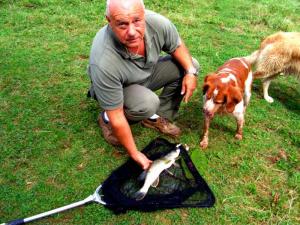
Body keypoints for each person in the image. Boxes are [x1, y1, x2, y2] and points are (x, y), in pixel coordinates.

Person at [87, 0, 200, 170]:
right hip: (120, 87)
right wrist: (134, 153)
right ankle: (105, 119)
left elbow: (176, 45)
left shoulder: (158, 23)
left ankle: (157, 116)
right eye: (122, 24)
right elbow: (118, 115)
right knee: (147, 103)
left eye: (137, 21)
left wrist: (190, 73)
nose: (132, 32)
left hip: (145, 74)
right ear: (109, 21)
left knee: (190, 65)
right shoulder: (103, 61)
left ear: (143, 15)